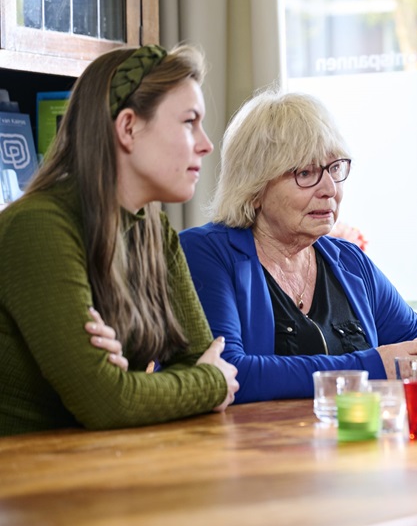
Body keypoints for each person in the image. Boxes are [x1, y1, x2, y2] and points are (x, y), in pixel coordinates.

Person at [0, 44, 239, 436]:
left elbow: (204, 358)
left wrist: (133, 386)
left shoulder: (154, 232)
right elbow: (108, 403)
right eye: (188, 122)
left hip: (93, 467)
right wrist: (202, 385)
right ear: (128, 128)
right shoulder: (38, 227)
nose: (206, 144)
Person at [179, 90, 417, 403]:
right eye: (306, 173)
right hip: (255, 448)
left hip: (354, 442)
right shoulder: (207, 253)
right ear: (254, 187)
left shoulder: (350, 261)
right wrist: (373, 366)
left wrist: (407, 362)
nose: (330, 189)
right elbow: (230, 374)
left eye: (334, 169)